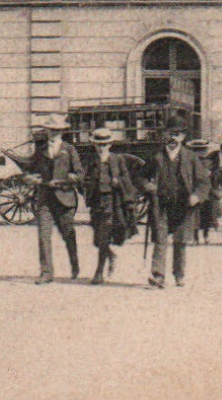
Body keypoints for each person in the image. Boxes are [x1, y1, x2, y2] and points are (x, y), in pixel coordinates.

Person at [139, 121, 210, 288]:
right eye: (170, 133)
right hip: (161, 204)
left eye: (177, 134)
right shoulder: (156, 157)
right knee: (160, 239)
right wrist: (148, 186)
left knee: (180, 241)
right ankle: (158, 276)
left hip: (183, 205)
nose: (173, 138)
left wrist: (196, 196)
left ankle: (179, 274)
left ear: (183, 137)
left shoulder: (190, 157)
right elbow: (140, 177)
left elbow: (204, 182)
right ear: (165, 135)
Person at [12, 117, 82, 284]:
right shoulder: (41, 151)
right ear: (47, 131)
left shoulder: (69, 150)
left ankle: (74, 263)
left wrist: (71, 178)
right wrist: (32, 179)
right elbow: (28, 171)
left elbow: (80, 174)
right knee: (44, 236)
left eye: (57, 130)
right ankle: (46, 272)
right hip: (44, 200)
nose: (53, 133)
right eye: (51, 130)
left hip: (65, 200)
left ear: (62, 132)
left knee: (68, 236)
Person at [83, 128, 141, 283]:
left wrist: (118, 183)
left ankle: (99, 272)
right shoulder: (92, 161)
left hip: (112, 202)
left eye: (104, 144)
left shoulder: (117, 160)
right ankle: (111, 256)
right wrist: (89, 187)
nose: (101, 147)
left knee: (104, 237)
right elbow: (86, 180)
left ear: (110, 145)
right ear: (95, 145)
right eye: (98, 145)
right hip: (97, 203)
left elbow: (126, 180)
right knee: (98, 239)